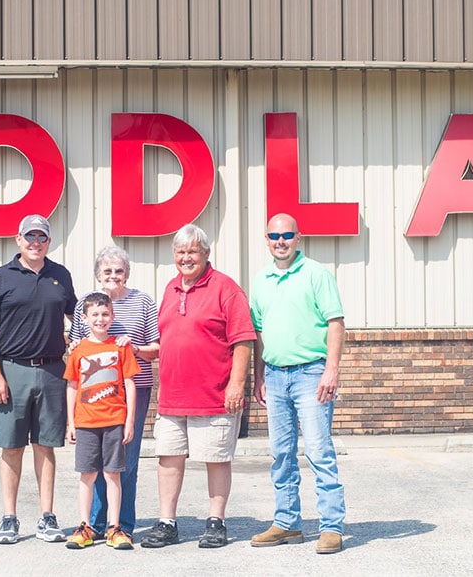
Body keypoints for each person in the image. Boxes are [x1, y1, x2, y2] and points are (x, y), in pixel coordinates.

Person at [141, 224, 256, 550]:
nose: (186, 257)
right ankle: (167, 522)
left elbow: (244, 340)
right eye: (180, 252)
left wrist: (237, 385)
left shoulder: (226, 289)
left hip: (214, 395)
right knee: (168, 458)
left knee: (216, 458)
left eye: (193, 251)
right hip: (173, 396)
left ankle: (216, 521)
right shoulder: (170, 289)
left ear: (206, 254)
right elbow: (168, 339)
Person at [0, 214, 77, 545]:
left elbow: (77, 317)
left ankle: (47, 516)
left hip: (51, 371)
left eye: (42, 237)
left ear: (49, 241)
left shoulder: (60, 276)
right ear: (18, 240)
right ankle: (9, 518)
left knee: (45, 445)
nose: (35, 242)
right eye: (29, 236)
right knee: (11, 446)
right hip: (12, 370)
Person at [249, 213, 347, 554]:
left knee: (319, 451)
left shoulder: (316, 274)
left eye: (287, 235)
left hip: (310, 374)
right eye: (275, 235)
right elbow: (259, 332)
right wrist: (259, 375)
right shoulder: (260, 280)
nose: (281, 241)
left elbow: (336, 323)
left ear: (298, 238)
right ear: (266, 239)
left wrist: (331, 369)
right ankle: (287, 522)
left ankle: (331, 527)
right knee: (281, 453)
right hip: (275, 376)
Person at [68, 246, 159, 540]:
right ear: (97, 275)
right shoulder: (87, 303)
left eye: (119, 270)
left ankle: (123, 525)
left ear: (127, 273)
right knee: (93, 465)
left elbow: (156, 348)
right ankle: (93, 523)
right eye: (107, 271)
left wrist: (132, 348)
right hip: (93, 400)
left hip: (132, 392)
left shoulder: (143, 302)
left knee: (125, 462)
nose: (113, 276)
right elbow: (74, 350)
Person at [62, 292, 140, 550]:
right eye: (94, 314)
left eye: (105, 313)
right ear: (83, 318)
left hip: (114, 421)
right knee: (87, 475)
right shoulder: (78, 350)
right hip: (85, 423)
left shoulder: (121, 347)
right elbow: (72, 386)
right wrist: (71, 422)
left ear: (112, 316)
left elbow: (130, 384)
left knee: (113, 475)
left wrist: (129, 422)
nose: (100, 319)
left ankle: (114, 527)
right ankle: (85, 526)